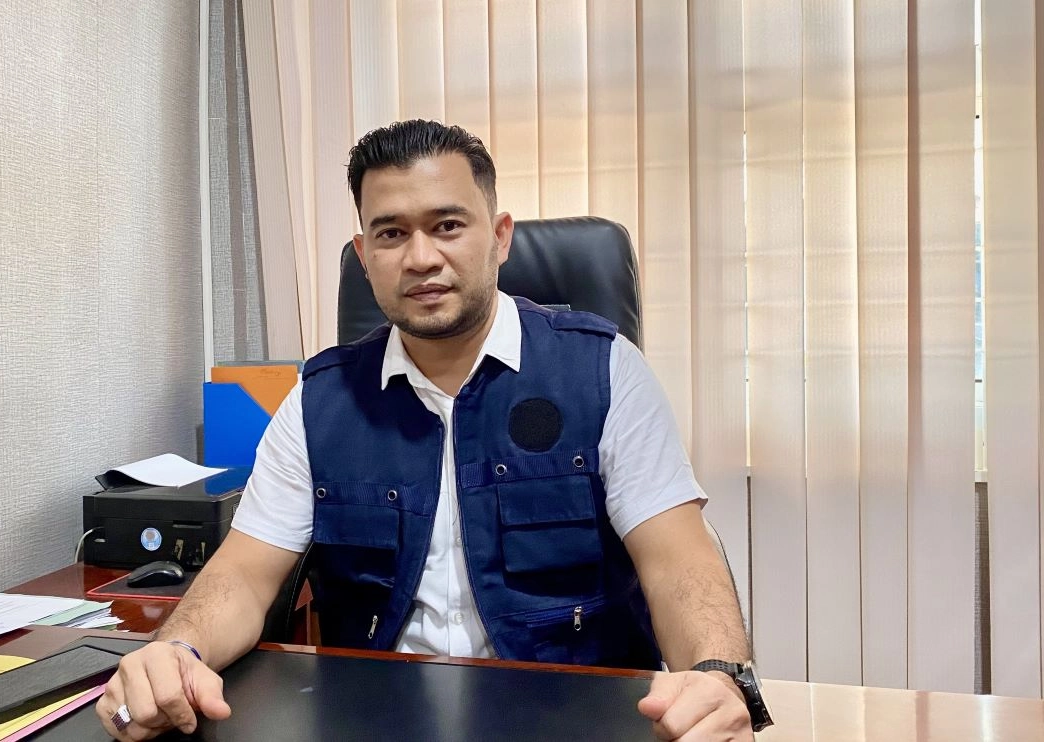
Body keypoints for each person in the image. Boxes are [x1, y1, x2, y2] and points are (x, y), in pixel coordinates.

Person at [96, 120, 766, 741]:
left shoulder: (604, 370)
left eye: (447, 225)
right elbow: (244, 575)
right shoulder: (319, 400)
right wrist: (175, 650)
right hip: (374, 719)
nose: (420, 257)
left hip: (577, 717)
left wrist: (716, 673)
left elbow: (679, 560)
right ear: (364, 254)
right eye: (391, 234)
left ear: (499, 236)